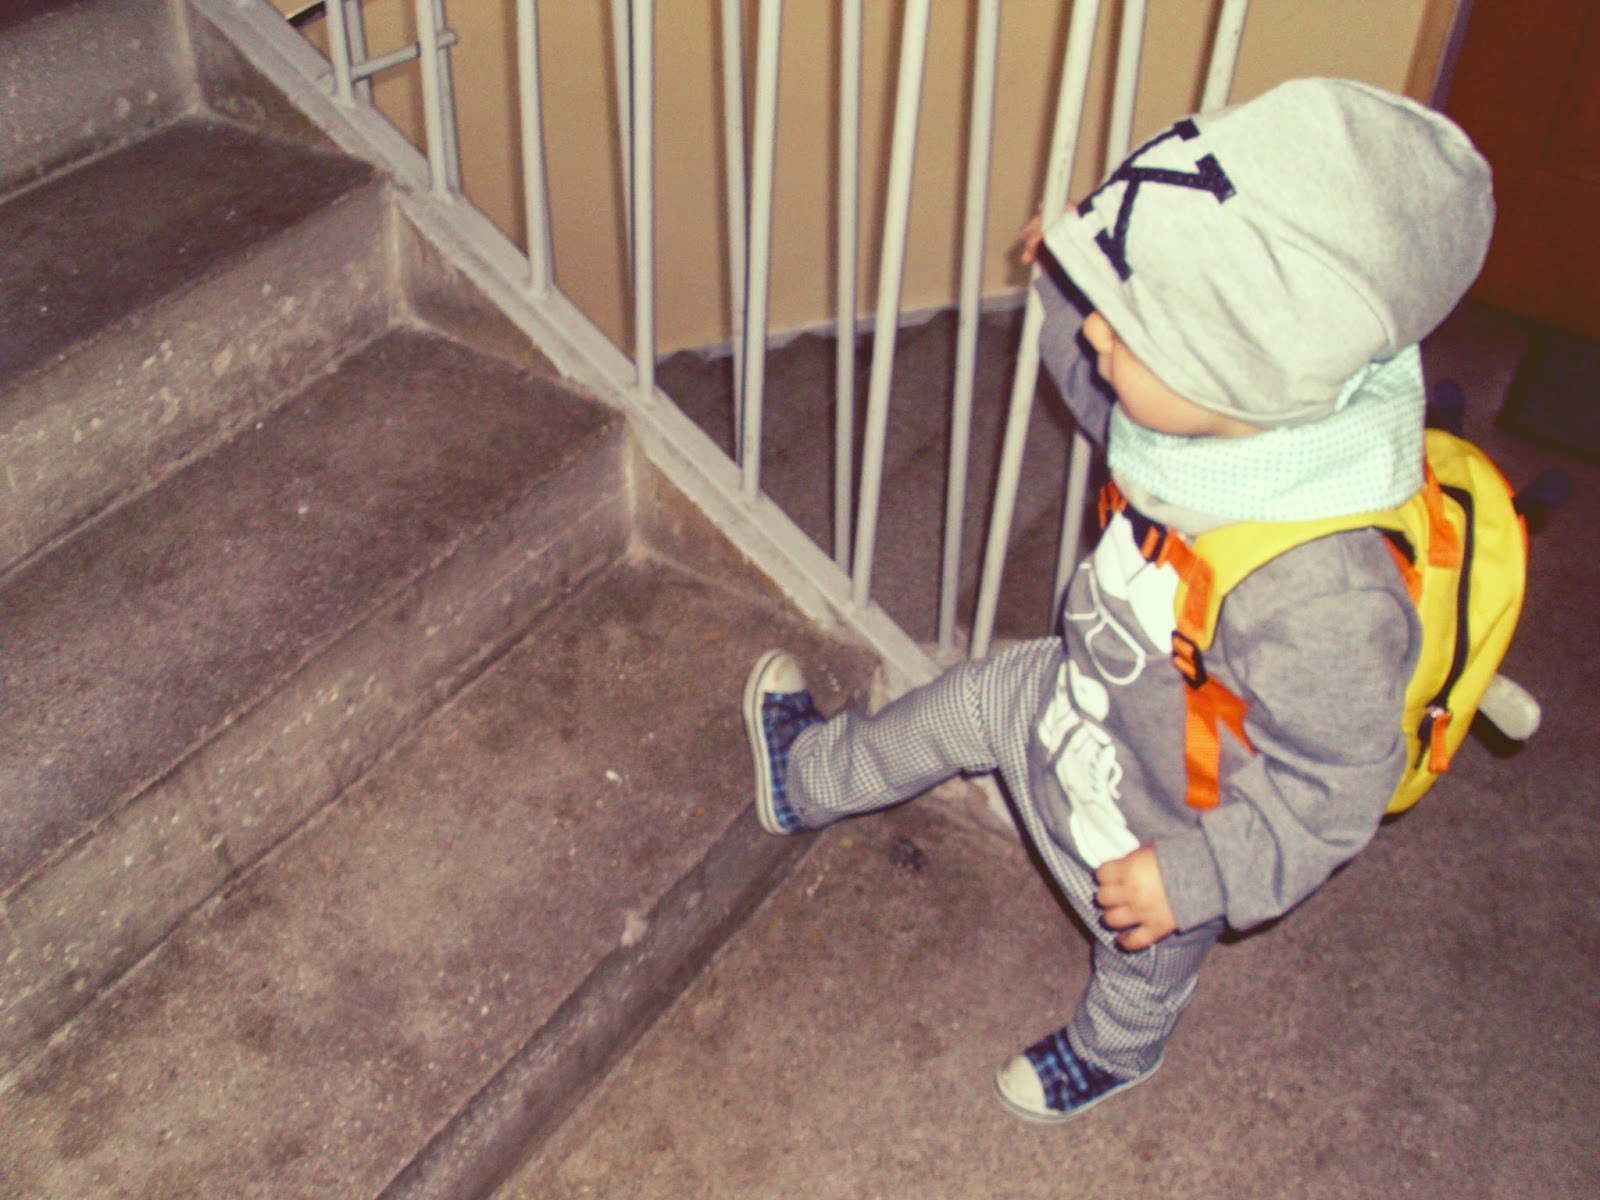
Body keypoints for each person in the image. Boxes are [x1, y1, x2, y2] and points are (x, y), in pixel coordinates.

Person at [743, 77, 1494, 1124]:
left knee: (1142, 959)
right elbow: (1106, 390)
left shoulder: (1323, 595)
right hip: (1069, 693)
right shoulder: (1213, 420)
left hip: (1171, 818)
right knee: (955, 703)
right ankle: (808, 778)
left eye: (1128, 326)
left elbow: (1335, 787)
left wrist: (1196, 876)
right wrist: (1073, 276)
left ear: (1240, 375)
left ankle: (1114, 1052)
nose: (1098, 331)